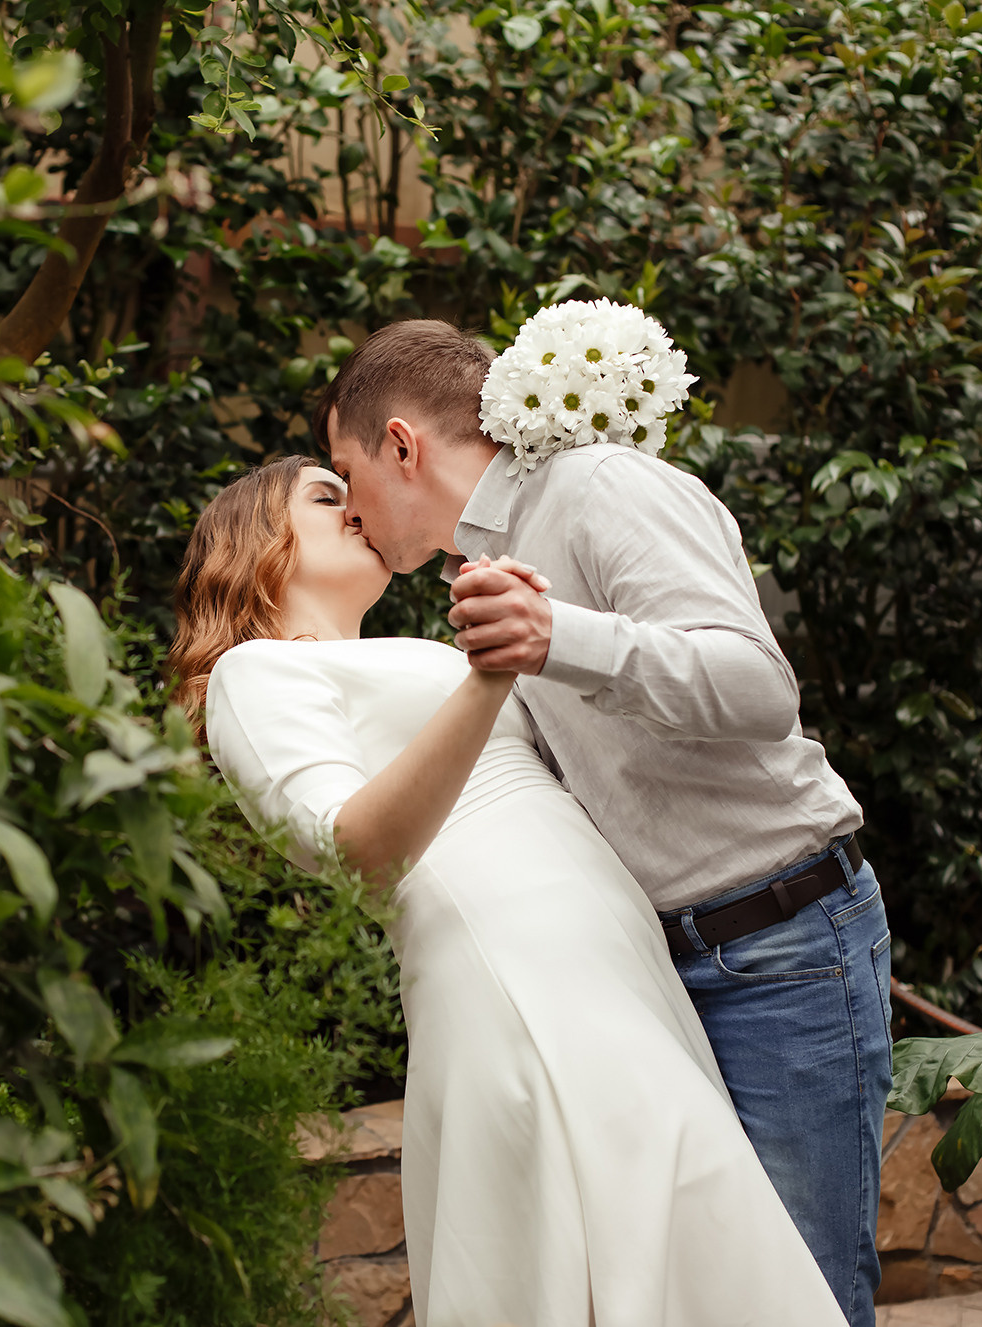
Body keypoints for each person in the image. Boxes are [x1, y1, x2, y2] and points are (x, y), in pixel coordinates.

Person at [171, 454, 845, 1327]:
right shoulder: (255, 675)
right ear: (254, 542)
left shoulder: (408, 650)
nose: (356, 508)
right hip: (515, 974)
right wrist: (489, 675)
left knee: (697, 1258)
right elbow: (354, 852)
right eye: (325, 495)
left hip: (613, 965)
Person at [313, 312, 891, 1327]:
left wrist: (560, 636)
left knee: (804, 1296)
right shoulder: (475, 578)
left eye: (343, 469)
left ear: (400, 444)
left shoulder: (595, 487)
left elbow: (761, 689)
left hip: (783, 949)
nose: (349, 509)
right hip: (657, 976)